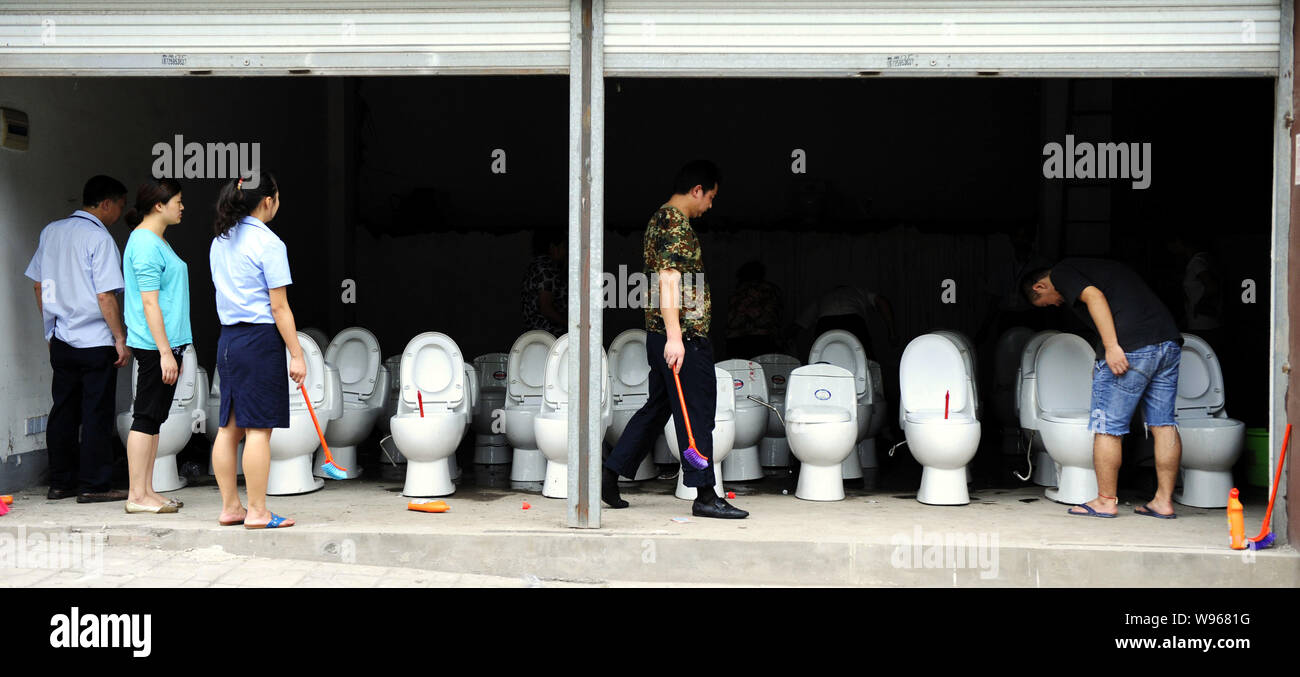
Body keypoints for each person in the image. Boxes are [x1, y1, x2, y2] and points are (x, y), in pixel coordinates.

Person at [602, 160, 747, 519]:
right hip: (683, 339)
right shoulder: (673, 223)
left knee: (657, 410)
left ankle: (609, 473)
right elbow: (668, 280)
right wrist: (675, 338)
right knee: (696, 413)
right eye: (710, 197)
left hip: (665, 336)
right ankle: (705, 494)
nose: (710, 205)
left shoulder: (657, 220)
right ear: (697, 190)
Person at [1021, 258, 1183, 519]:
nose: (1056, 304)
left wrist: (1111, 346)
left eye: (1046, 302)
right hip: (1167, 341)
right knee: (1163, 425)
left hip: (1130, 346)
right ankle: (1163, 501)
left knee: (1107, 426)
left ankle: (1105, 501)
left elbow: (1094, 297)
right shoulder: (1102, 268)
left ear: (1040, 286)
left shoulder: (1061, 272)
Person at [25, 175, 131, 504]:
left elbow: (39, 286)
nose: (119, 214)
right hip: (96, 340)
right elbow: (105, 296)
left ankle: (61, 483)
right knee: (96, 413)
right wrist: (119, 338)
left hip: (61, 339)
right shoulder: (99, 239)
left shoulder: (51, 231)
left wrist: (49, 331)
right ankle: (93, 485)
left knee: (64, 412)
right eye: (119, 206)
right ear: (106, 204)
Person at [209, 173, 303, 529]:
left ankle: (231, 507)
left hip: (228, 341)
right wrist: (297, 353)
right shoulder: (269, 243)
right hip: (260, 341)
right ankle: (259, 511)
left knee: (229, 429)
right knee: (259, 430)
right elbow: (279, 307)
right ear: (268, 200)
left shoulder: (220, 240)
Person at [121, 178, 191, 514]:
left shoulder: (155, 241)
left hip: (166, 344)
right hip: (154, 346)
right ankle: (137, 495)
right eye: (177, 200)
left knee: (154, 419)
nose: (182, 206)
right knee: (145, 418)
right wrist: (165, 352)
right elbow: (150, 303)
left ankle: (148, 491)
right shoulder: (146, 243)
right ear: (158, 205)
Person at [794, 285, 897, 359]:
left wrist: (785, 338)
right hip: (852, 322)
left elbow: (800, 323)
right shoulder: (857, 290)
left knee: (824, 359)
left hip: (826, 324)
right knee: (865, 359)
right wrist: (892, 333)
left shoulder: (823, 296)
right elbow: (881, 301)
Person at [725, 260, 784, 359]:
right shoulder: (771, 289)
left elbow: (732, 317)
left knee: (740, 370)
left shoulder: (739, 291)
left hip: (738, 340)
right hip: (764, 339)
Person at [521, 228, 566, 336]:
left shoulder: (535, 266)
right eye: (564, 247)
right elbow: (546, 307)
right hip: (549, 338)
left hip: (537, 336)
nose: (566, 252)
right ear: (553, 248)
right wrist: (570, 324)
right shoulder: (546, 268)